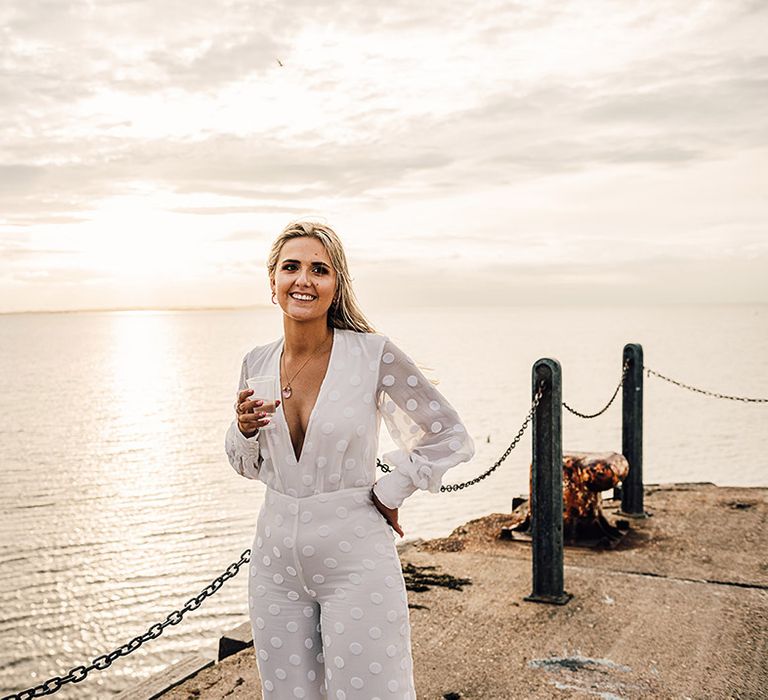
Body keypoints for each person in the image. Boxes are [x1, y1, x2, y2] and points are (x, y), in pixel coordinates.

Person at [225, 221, 474, 699]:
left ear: (336, 285)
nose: (304, 280)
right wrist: (243, 429)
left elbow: (448, 434)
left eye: (319, 270)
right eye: (290, 267)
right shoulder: (255, 362)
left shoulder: (371, 354)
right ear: (272, 282)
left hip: (355, 556)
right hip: (274, 561)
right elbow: (247, 465)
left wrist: (392, 488)